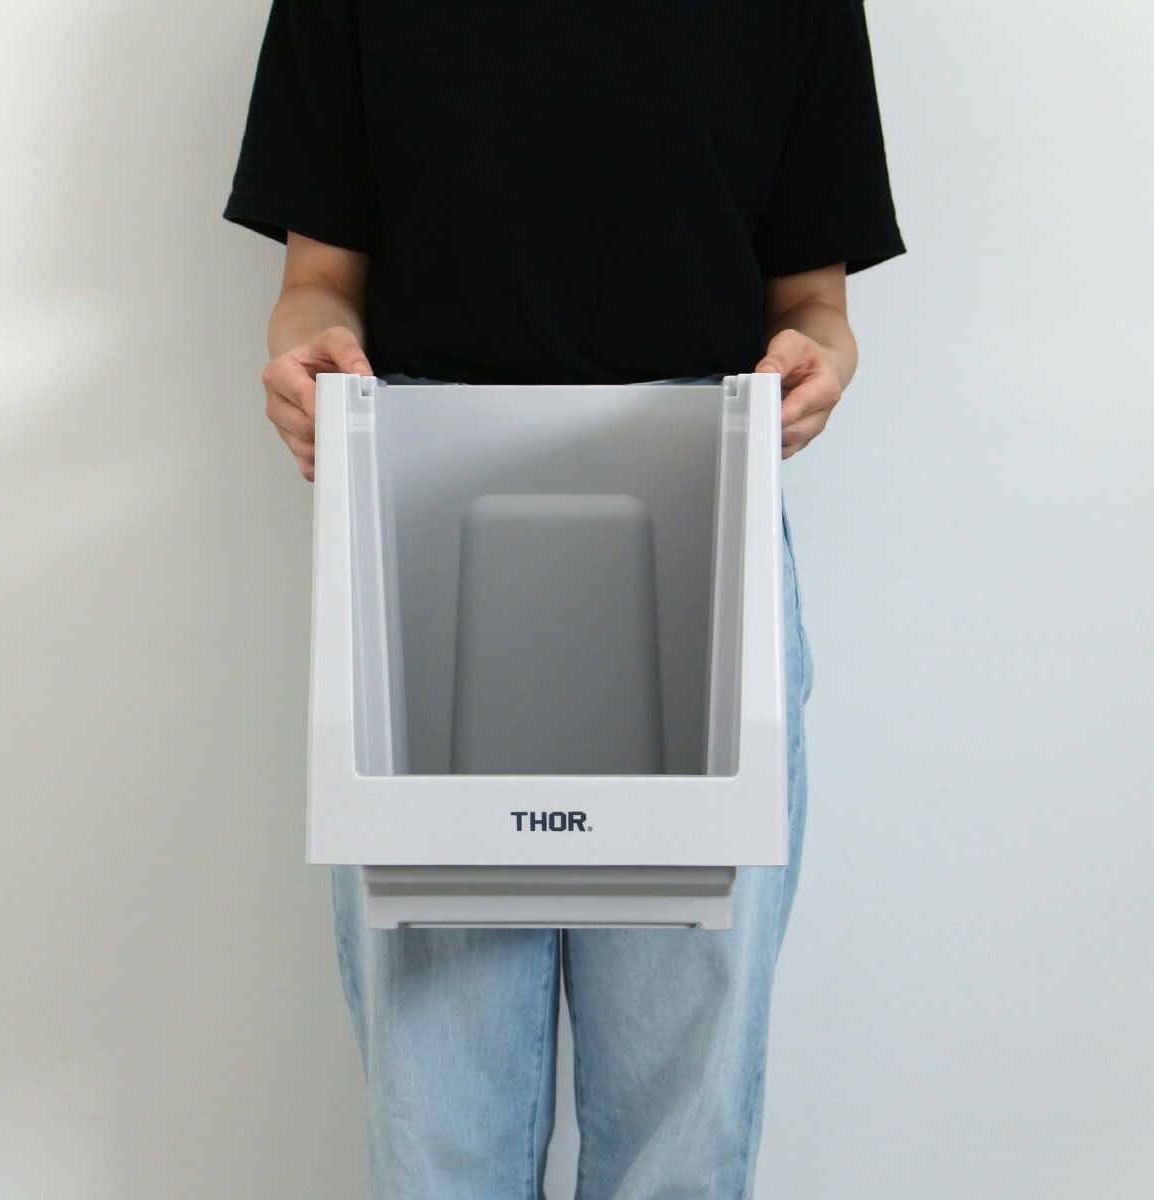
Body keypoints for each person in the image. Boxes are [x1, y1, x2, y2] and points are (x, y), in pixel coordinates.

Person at [222, 1, 906, 1194]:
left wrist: (820, 362)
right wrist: (309, 356)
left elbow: (813, 302)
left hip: (701, 514)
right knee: (438, 1112)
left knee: (684, 1104)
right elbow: (318, 282)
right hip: (425, 513)